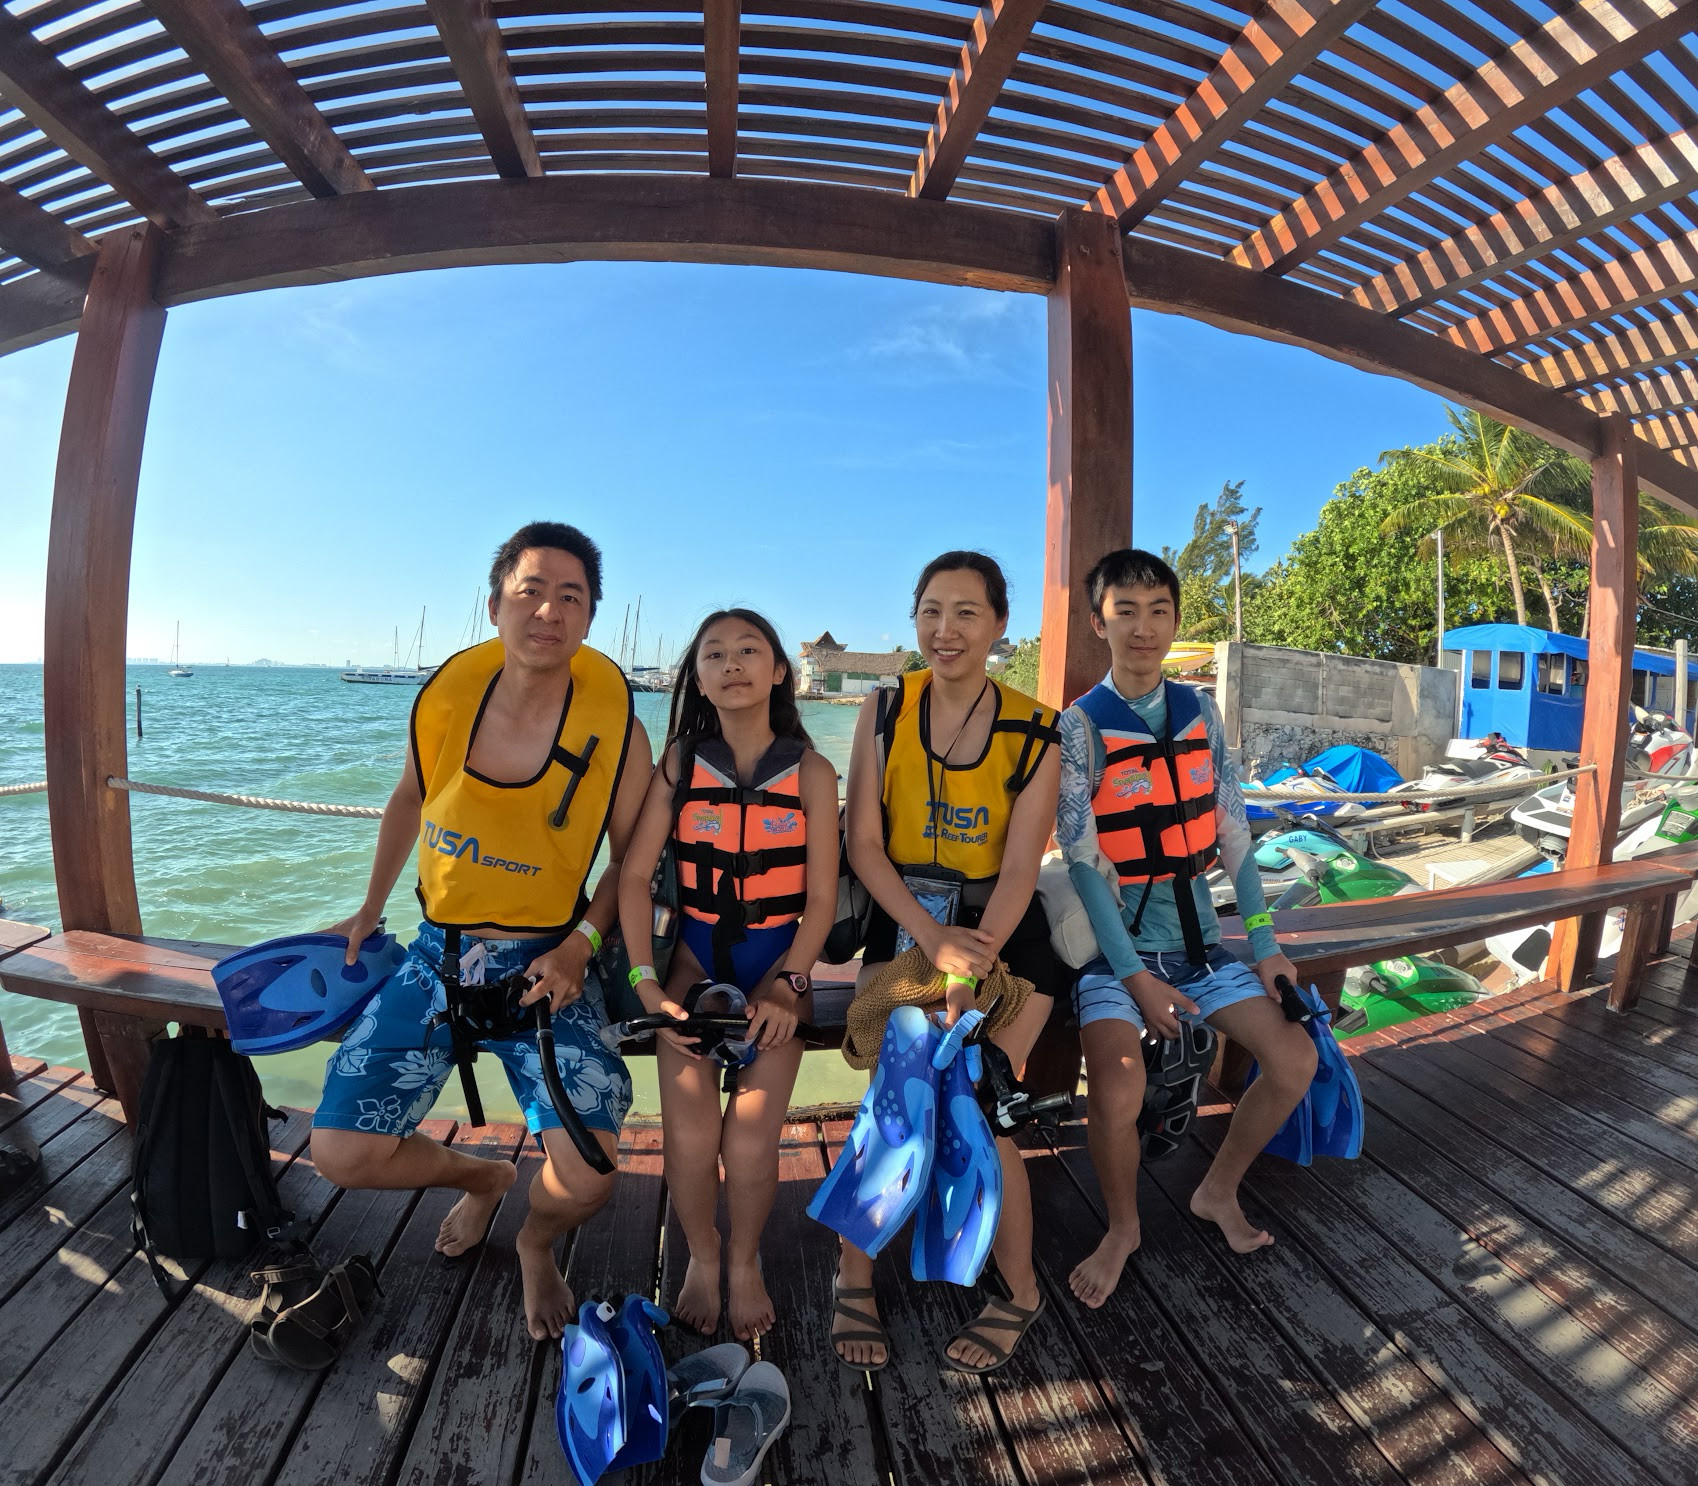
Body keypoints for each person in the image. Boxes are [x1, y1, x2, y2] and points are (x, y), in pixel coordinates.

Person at [311, 521, 652, 1340]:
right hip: (440, 953)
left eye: (571, 596)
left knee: (593, 1173)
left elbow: (632, 862)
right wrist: (369, 905)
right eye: (530, 590)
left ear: (590, 617)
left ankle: (536, 1243)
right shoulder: (446, 699)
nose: (548, 610)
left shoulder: (618, 727)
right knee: (340, 1155)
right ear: (496, 601)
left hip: (550, 963)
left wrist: (583, 944)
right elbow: (407, 798)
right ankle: (482, 1177)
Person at [1057, 547, 1316, 1307]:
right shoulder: (1080, 727)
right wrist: (1135, 980)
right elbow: (1081, 862)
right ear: (1098, 620)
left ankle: (1217, 1189)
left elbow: (1234, 836)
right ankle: (1124, 1227)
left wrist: (1264, 946)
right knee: (1116, 1088)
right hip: (1118, 955)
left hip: (1201, 946)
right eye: (1125, 611)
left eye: (1158, 611)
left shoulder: (1202, 713)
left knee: (1294, 1059)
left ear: (1174, 618)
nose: (1143, 628)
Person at [830, 551, 1062, 1373]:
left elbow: (1024, 867)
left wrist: (967, 969)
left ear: (1000, 624)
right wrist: (932, 946)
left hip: (1004, 936)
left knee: (987, 1104)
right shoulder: (886, 708)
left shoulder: (1038, 728)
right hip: (904, 924)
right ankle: (853, 1270)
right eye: (931, 610)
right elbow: (862, 842)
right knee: (894, 1096)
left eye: (967, 612)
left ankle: (1021, 1291)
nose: (946, 629)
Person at [619, 609, 838, 1341]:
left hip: (780, 977)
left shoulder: (811, 771)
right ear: (699, 678)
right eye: (715, 654)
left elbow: (819, 899)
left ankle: (744, 1261)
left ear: (780, 671)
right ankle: (701, 1255)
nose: (733, 663)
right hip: (689, 971)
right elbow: (632, 878)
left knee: (747, 1140)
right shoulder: (681, 763)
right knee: (687, 1137)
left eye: (750, 651)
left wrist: (791, 982)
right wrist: (648, 988)